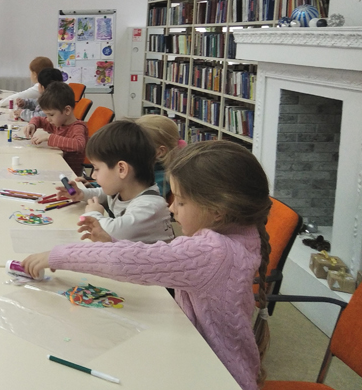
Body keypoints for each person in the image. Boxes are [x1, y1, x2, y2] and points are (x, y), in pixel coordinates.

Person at [23, 140, 272, 390]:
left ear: (218, 211)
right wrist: (112, 241)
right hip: (206, 359)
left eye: (181, 201)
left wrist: (57, 255)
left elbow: (129, 261)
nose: (171, 208)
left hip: (215, 376)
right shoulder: (240, 234)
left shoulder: (214, 251)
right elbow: (159, 260)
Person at [56, 120, 172, 243]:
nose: (93, 175)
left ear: (121, 169)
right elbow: (103, 194)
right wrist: (81, 194)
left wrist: (94, 213)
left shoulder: (149, 206)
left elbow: (110, 232)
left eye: (96, 168)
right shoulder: (123, 191)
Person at [21, 82, 88, 176]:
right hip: (55, 168)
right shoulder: (58, 122)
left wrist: (49, 137)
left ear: (67, 110)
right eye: (46, 115)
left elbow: (79, 144)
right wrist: (32, 125)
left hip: (69, 176)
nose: (48, 119)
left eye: (51, 115)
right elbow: (38, 119)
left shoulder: (78, 127)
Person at [137, 114, 185, 198]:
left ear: (159, 152)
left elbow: (145, 199)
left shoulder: (163, 179)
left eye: (136, 146)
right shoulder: (147, 167)